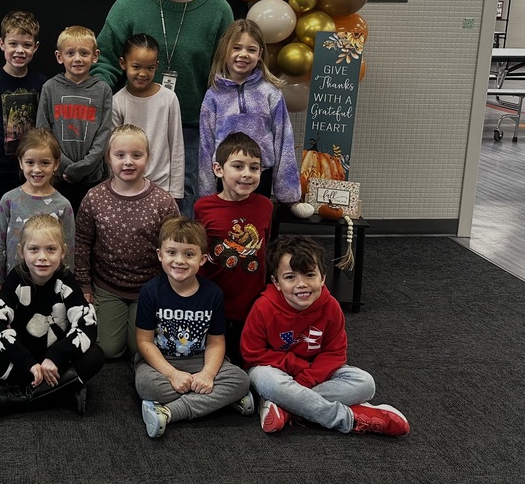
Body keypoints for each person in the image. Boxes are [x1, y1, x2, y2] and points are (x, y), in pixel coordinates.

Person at [94, 0, 234, 218]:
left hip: (193, 124)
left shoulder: (217, 9)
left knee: (186, 196)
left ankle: (176, 260)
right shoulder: (130, 4)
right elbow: (105, 58)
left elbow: (226, 70)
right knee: (129, 195)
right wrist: (97, 99)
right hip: (135, 121)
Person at [241, 235, 410, 436]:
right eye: (290, 277)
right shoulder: (264, 307)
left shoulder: (331, 307)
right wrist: (298, 367)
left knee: (365, 383)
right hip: (276, 371)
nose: (301, 284)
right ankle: (347, 418)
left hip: (317, 374)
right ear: (276, 282)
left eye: (309, 275)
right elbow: (253, 354)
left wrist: (307, 379)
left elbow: (335, 353)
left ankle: (286, 409)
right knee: (264, 378)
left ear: (322, 277)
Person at [134, 217, 251, 438]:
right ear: (160, 255)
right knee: (147, 386)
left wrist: (207, 373)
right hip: (162, 362)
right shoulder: (151, 291)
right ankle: (219, 401)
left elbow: (216, 342)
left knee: (241, 380)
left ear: (203, 259)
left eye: (189, 254)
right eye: (172, 253)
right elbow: (144, 342)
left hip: (200, 360)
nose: (180, 261)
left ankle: (169, 412)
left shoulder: (213, 294)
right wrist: (172, 374)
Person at [0, 214, 103, 418]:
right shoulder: (16, 278)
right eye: (34, 249)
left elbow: (87, 325)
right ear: (21, 252)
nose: (42, 257)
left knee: (95, 355)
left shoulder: (66, 280)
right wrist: (28, 362)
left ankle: (18, 398)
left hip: (56, 362)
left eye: (51, 249)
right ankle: (63, 393)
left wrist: (56, 357)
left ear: (63, 251)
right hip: (24, 362)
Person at [74, 124, 179, 360]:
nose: (128, 162)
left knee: (140, 349)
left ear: (148, 158)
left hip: (149, 288)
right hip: (108, 286)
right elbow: (81, 243)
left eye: (136, 155)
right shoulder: (95, 197)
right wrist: (85, 285)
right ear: (108, 158)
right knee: (109, 350)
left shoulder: (163, 202)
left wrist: (172, 289)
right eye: (120, 155)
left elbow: (175, 248)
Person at [0, 11, 47, 304]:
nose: (20, 50)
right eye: (14, 44)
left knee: (30, 222)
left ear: (36, 48)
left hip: (31, 171)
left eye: (26, 45)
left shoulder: (42, 82)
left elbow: (43, 131)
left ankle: (29, 275)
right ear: (2, 44)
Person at [198, 19, 300, 204]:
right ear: (225, 50)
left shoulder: (270, 92)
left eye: (251, 50)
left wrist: (287, 189)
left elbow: (284, 139)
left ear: (260, 54)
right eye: (236, 48)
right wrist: (206, 193)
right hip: (225, 177)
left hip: (260, 176)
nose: (243, 54)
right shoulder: (213, 95)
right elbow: (206, 144)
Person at [194, 132, 274, 367]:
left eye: (254, 168)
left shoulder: (265, 206)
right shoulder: (203, 207)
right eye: (238, 166)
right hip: (213, 300)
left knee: (246, 360)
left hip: (250, 302)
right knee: (210, 358)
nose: (247, 174)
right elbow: (198, 250)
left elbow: (265, 248)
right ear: (218, 169)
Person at [35, 25, 113, 213]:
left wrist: (83, 167)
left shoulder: (102, 90)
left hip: (93, 178)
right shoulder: (50, 88)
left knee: (87, 230)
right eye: (70, 53)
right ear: (59, 56)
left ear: (95, 56)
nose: (77, 58)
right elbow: (43, 132)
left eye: (84, 53)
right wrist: (65, 167)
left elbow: (104, 135)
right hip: (58, 176)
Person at [0, 127, 75, 292]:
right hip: (14, 284)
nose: (37, 169)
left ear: (56, 164)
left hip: (52, 285)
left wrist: (67, 286)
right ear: (21, 162)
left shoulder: (63, 206)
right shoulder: (9, 200)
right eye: (30, 162)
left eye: (45, 162)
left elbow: (68, 249)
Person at [111, 33, 185, 206]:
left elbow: (177, 147)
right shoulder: (118, 101)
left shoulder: (168, 98)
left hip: (162, 187)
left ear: (156, 66)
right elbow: (113, 150)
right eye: (136, 67)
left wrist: (175, 192)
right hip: (127, 186)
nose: (142, 74)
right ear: (123, 63)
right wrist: (116, 184)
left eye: (150, 68)